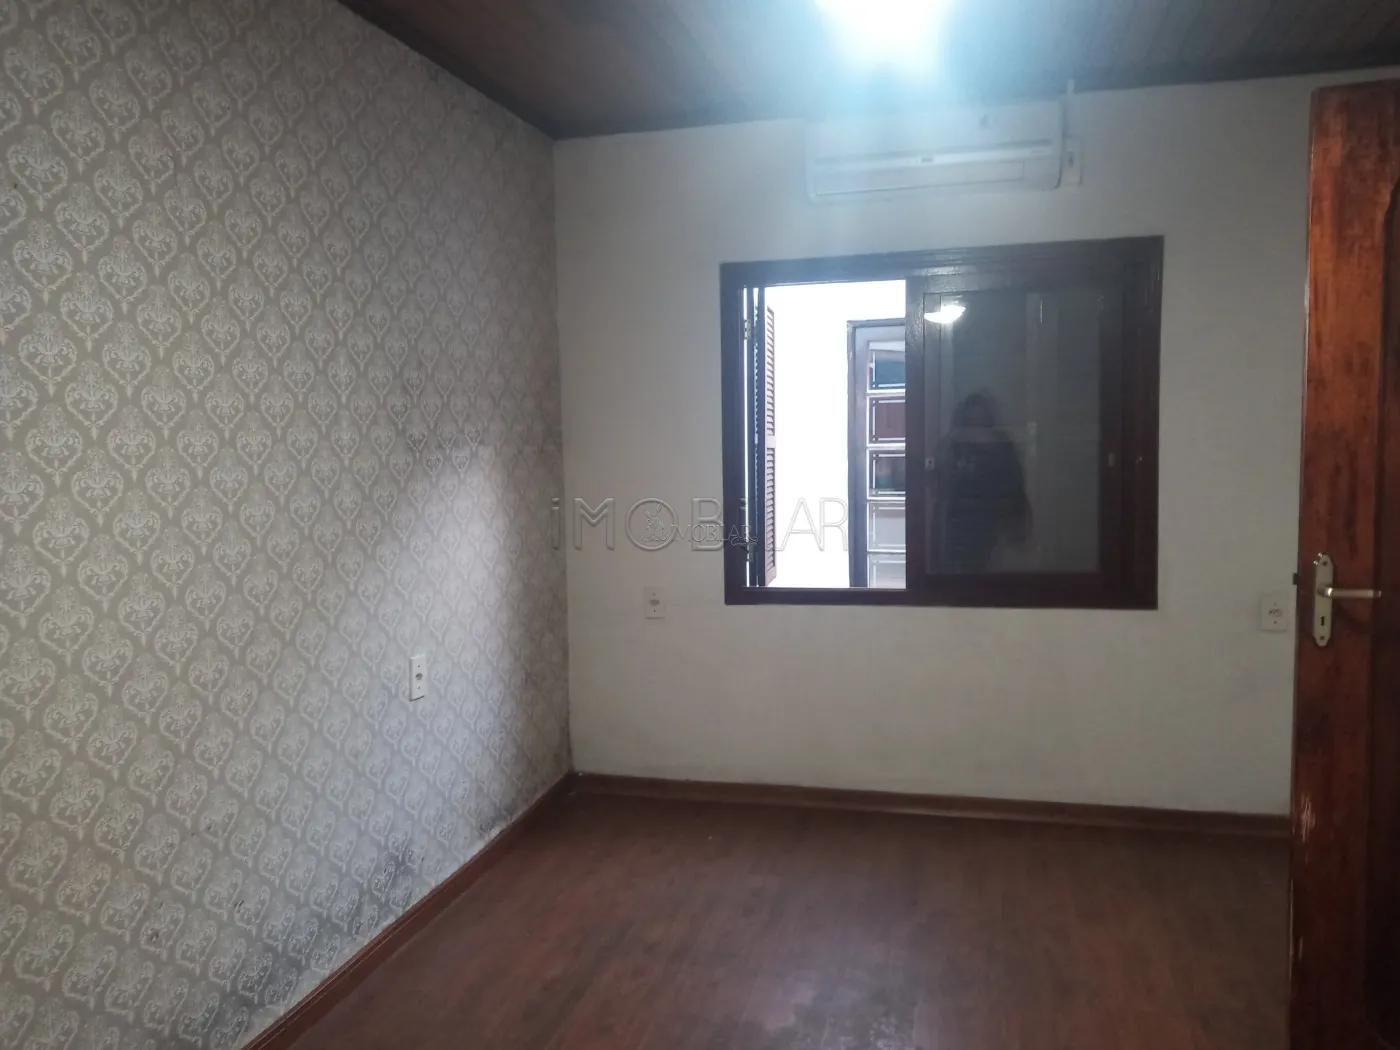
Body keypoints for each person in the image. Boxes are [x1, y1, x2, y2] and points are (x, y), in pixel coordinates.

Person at [936, 391, 1031, 572]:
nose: (976, 432)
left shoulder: (1002, 447)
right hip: (958, 526)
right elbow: (940, 487)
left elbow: (1014, 490)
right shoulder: (953, 446)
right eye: (971, 424)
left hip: (991, 526)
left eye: (982, 424)